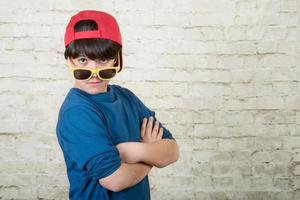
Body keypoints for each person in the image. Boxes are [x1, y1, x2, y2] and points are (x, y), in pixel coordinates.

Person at [56, 10, 179, 200]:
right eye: (83, 60)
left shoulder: (127, 98)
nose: (94, 72)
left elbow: (172, 150)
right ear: (69, 61)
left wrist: (133, 151)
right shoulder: (77, 112)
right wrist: (150, 157)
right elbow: (115, 180)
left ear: (117, 59)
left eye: (103, 60)